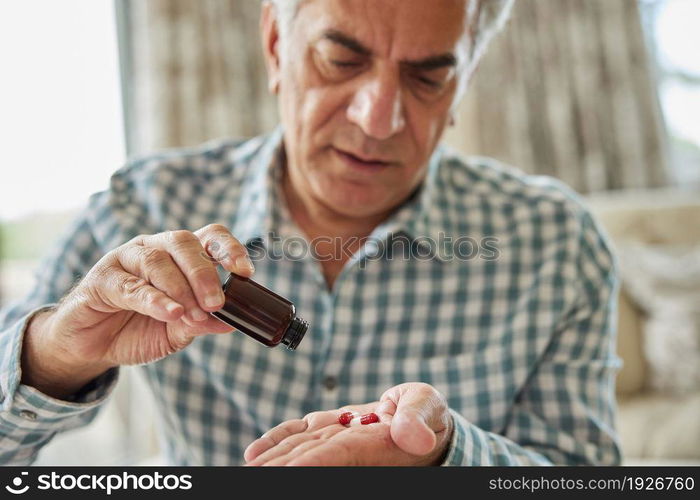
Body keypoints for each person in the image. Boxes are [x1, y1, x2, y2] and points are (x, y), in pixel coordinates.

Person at [0, 0, 622, 466]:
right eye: (341, 59)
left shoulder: (555, 241)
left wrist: (446, 458)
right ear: (275, 45)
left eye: (427, 77)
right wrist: (55, 352)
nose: (377, 119)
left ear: (464, 81)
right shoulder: (142, 204)